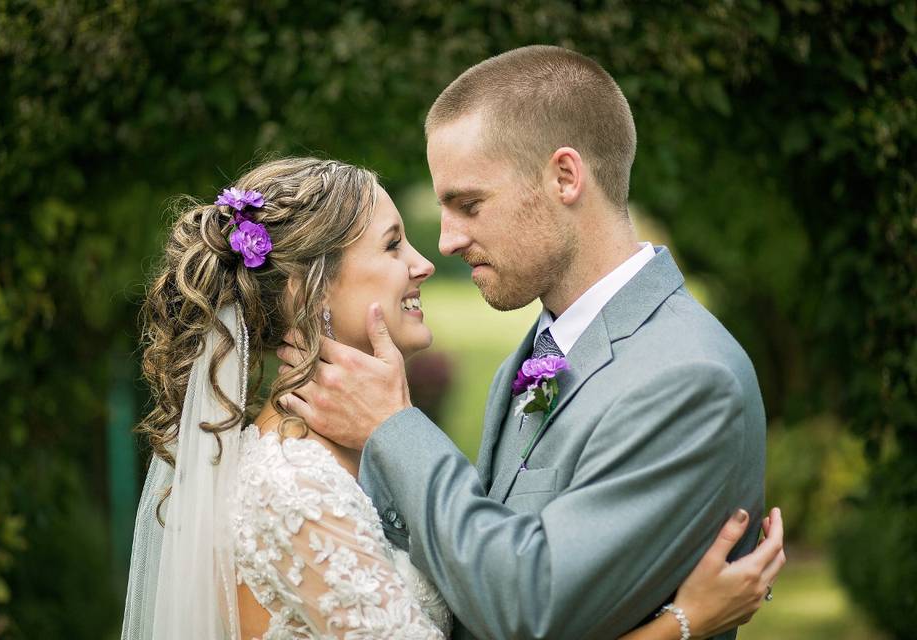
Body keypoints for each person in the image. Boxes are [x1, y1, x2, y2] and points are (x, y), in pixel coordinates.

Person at [121, 157, 783, 640]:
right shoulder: (292, 488)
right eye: (391, 244)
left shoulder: (353, 452)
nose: (425, 261)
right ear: (310, 296)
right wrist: (683, 622)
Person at [276, 46, 777, 639]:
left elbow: (531, 606)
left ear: (564, 177)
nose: (448, 241)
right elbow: (472, 556)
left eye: (468, 204)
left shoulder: (689, 378)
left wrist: (394, 428)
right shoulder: (542, 349)